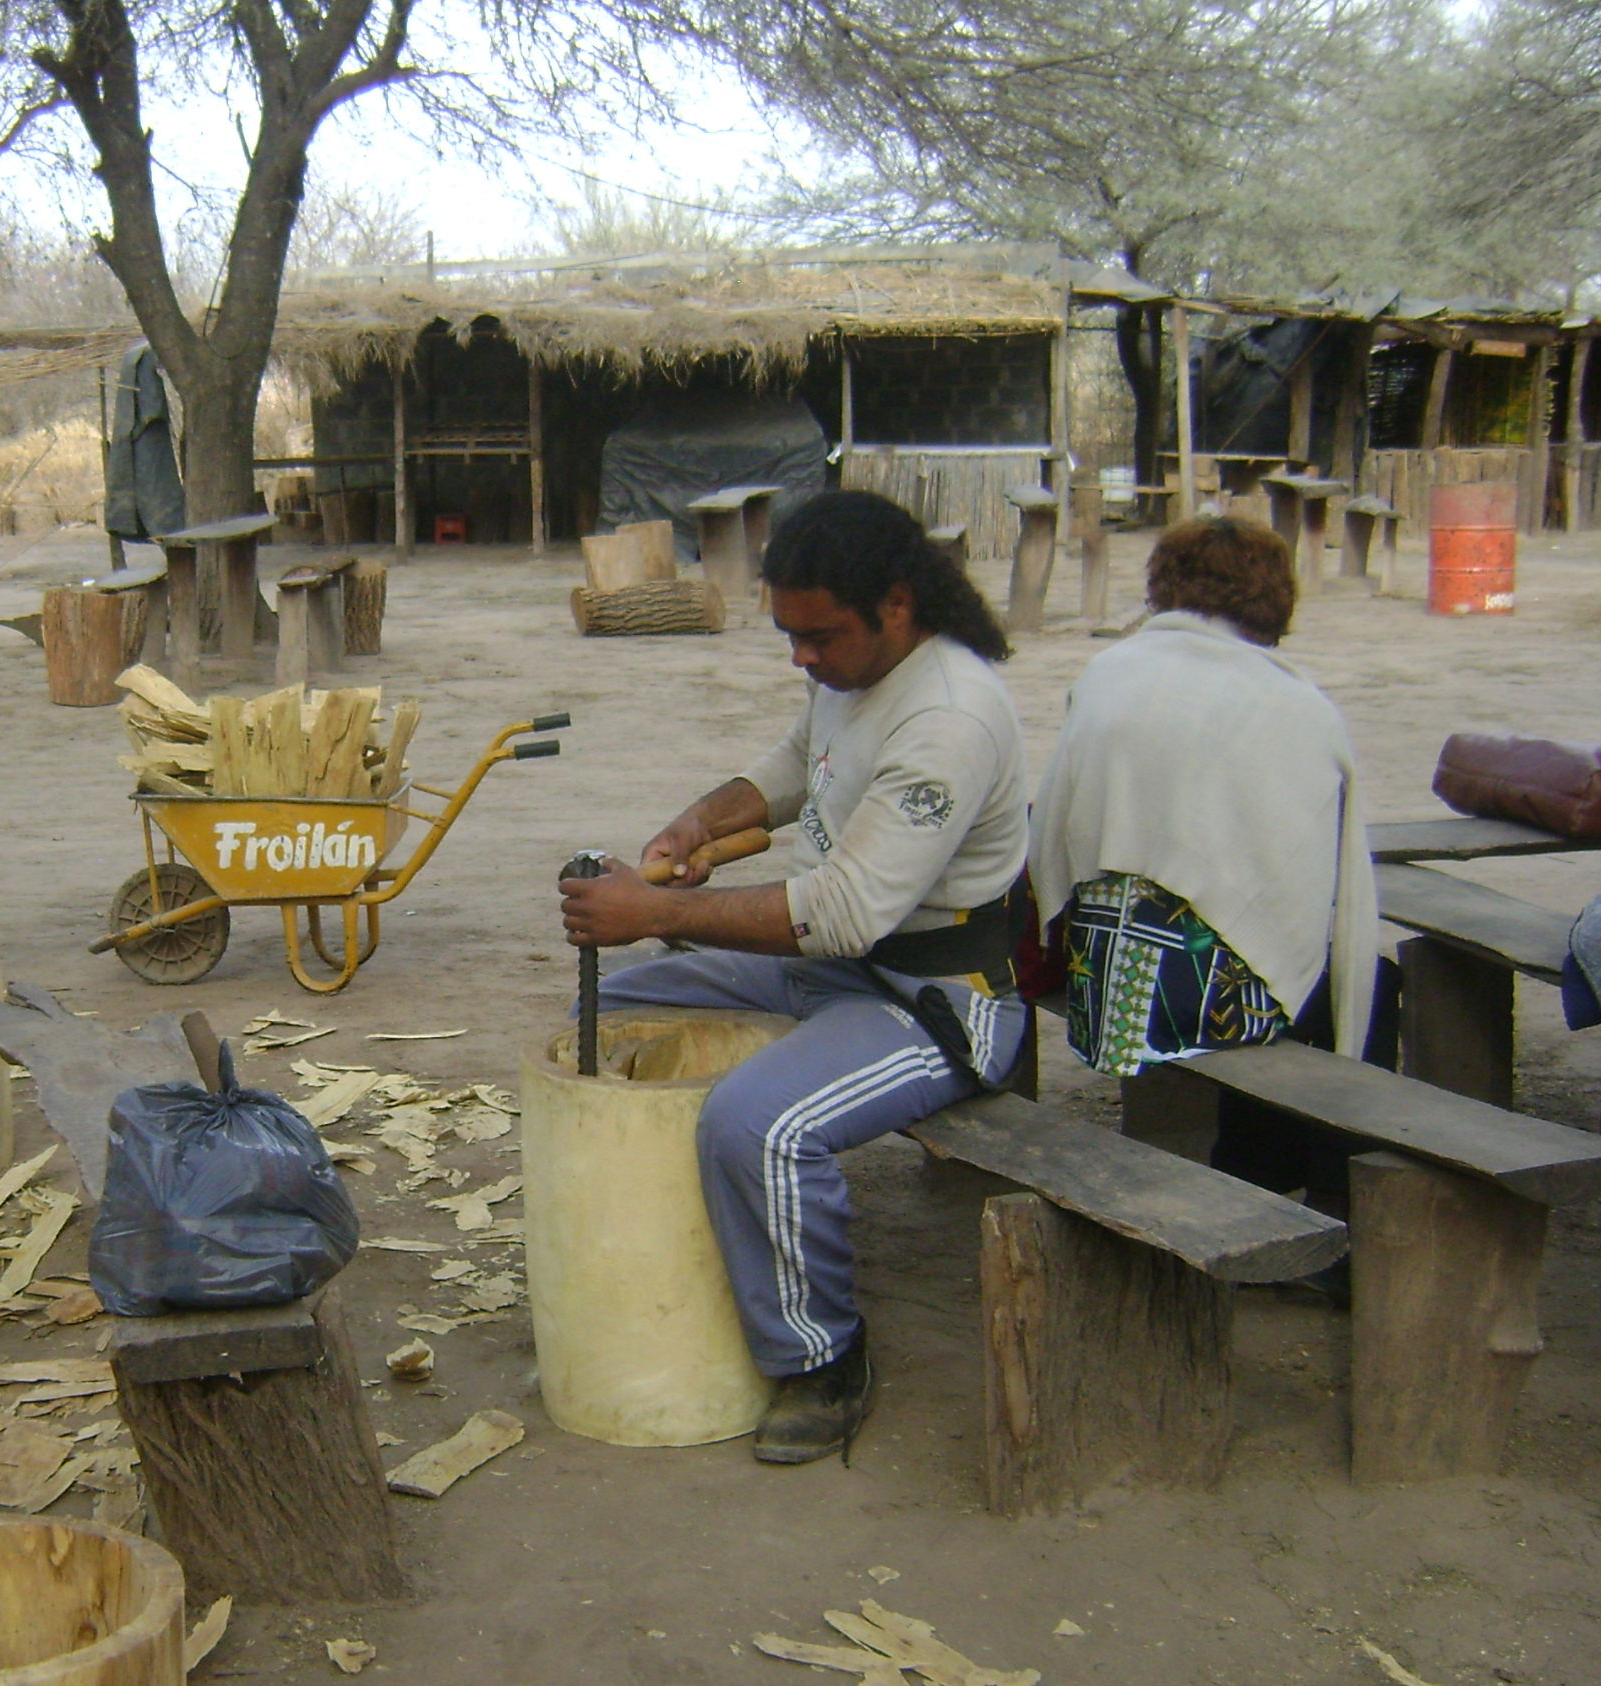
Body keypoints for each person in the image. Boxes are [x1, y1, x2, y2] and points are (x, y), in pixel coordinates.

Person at [559, 490, 1032, 1465]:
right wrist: (697, 825)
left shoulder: (949, 715)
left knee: (756, 1123)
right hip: (835, 972)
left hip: (936, 1003)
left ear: (897, 604)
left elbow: (849, 909)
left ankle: (822, 1357)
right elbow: (789, 772)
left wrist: (655, 912)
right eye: (790, 636)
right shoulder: (857, 670)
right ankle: (699, 1240)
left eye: (818, 637)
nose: (800, 659)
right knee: (611, 1015)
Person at [1028, 515, 1379, 1198]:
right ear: (1275, 598)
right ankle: (1317, 1213)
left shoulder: (1107, 671)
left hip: (1104, 986)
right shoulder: (1296, 706)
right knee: (1346, 989)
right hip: (1199, 1006)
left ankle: (1258, 1178)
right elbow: (1310, 888)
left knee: (1261, 959)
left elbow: (1054, 833)